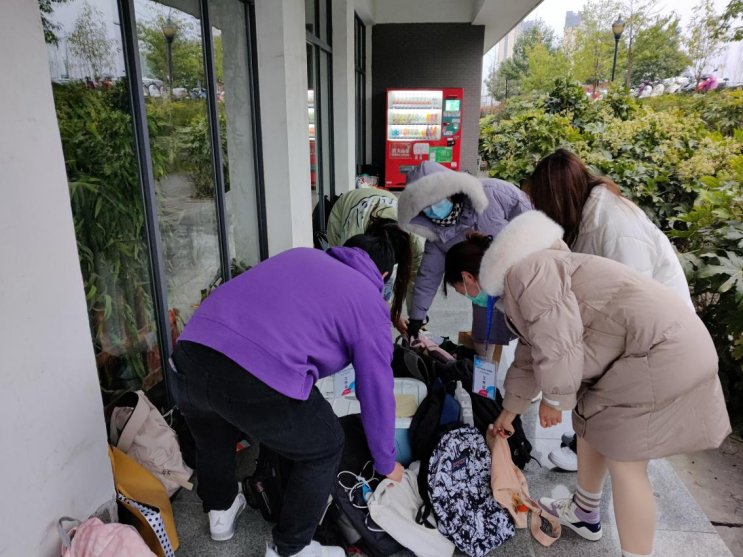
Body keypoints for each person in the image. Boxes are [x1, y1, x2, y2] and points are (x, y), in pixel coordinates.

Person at [444, 212, 731, 557]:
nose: (469, 297)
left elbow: (557, 342)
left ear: (468, 278)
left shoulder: (527, 273)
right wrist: (510, 411)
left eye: (461, 291)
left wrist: (554, 399)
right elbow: (532, 349)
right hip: (655, 347)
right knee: (590, 426)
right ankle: (585, 513)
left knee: (626, 462)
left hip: (660, 350)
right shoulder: (525, 270)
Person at [170, 237, 403, 557]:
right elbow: (376, 391)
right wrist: (386, 462)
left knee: (213, 434)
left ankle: (220, 512)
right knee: (326, 444)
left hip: (190, 354)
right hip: (253, 374)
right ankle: (292, 548)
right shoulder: (369, 302)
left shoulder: (302, 256)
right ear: (384, 275)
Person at [526, 149, 694, 471]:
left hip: (658, 330)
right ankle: (588, 446)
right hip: (638, 321)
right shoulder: (587, 215)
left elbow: (634, 301)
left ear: (556, 197)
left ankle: (589, 451)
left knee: (603, 388)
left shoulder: (614, 224)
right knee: (592, 376)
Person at [397, 161, 531, 358]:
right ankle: (484, 375)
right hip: (483, 290)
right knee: (484, 344)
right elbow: (428, 277)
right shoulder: (436, 235)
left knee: (532, 336)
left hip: (525, 279)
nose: (433, 208)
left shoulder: (493, 193)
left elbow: (533, 219)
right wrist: (417, 318)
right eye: (425, 205)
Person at [326, 186, 423, 334]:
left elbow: (416, 281)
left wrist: (415, 318)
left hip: (385, 200)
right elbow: (352, 287)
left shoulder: (416, 243)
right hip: (346, 206)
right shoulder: (354, 242)